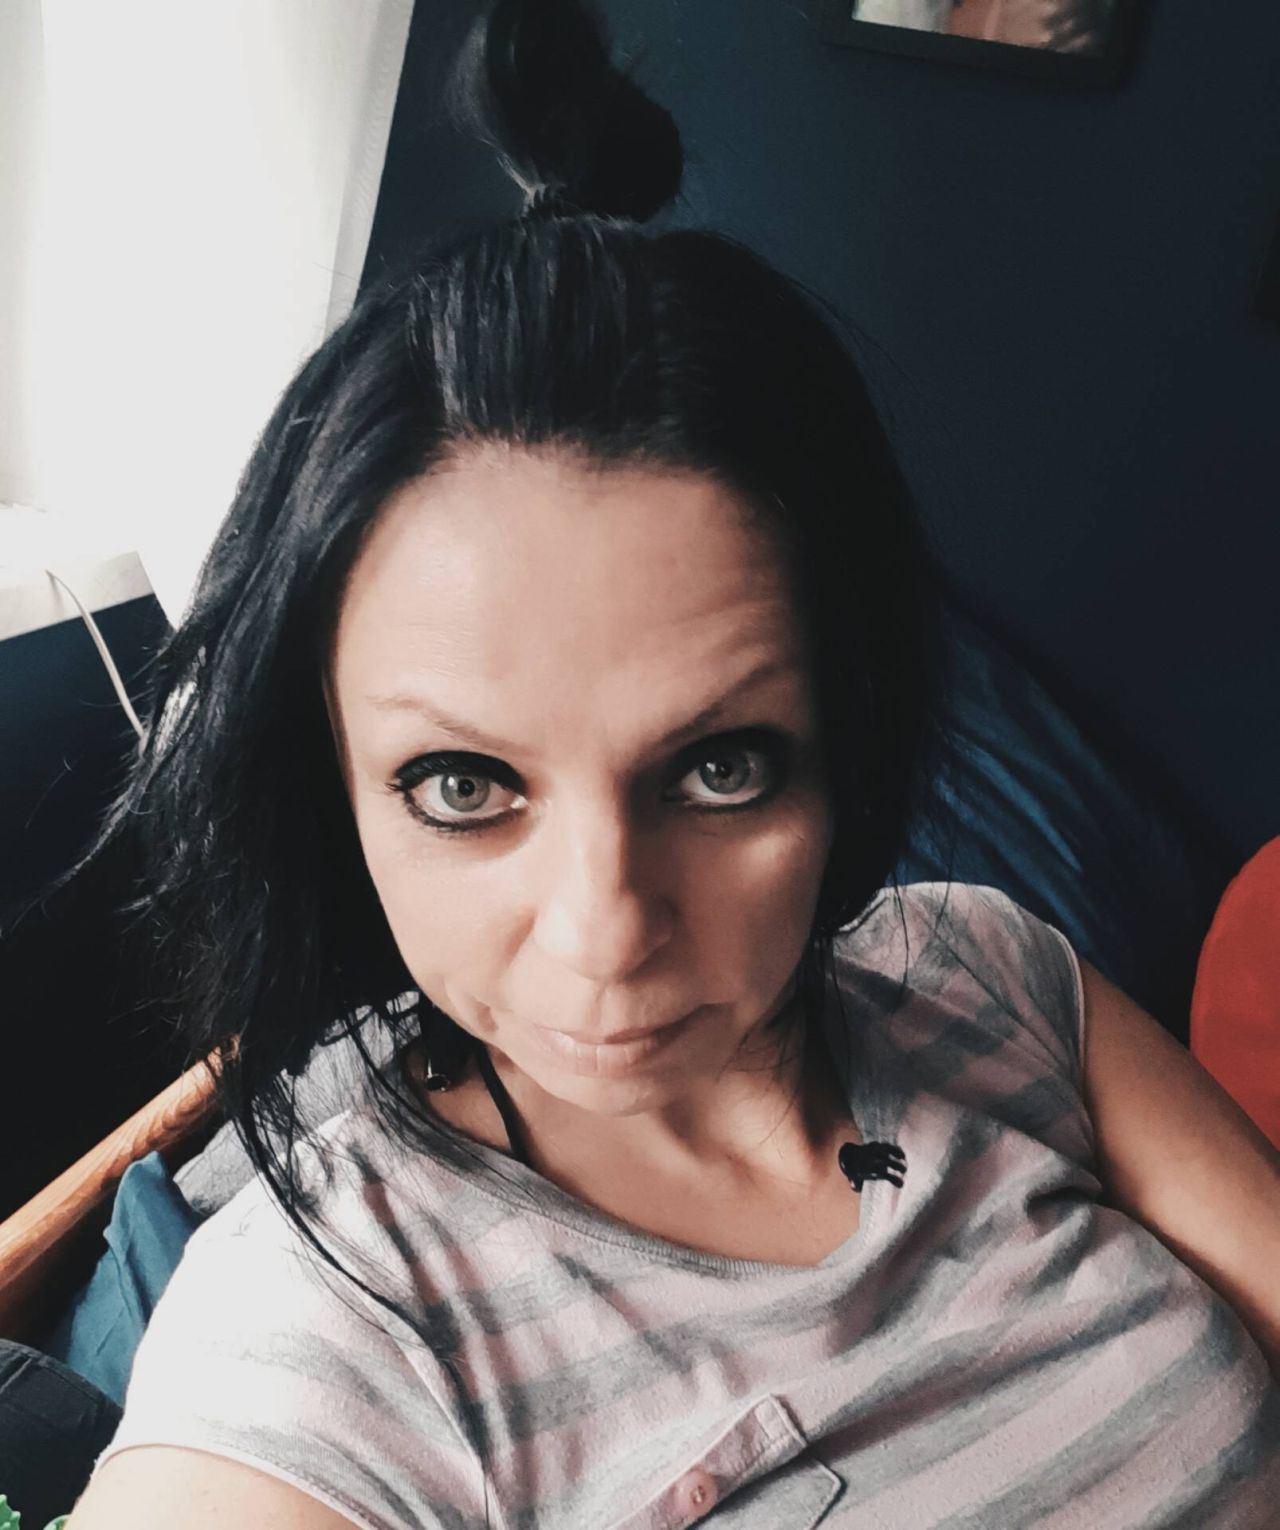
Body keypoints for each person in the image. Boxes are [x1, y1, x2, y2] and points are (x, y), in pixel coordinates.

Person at [61, 0, 1280, 1524]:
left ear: (845, 734)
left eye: (719, 769)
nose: (608, 932)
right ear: (334, 784)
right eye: (464, 785)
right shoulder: (329, 1335)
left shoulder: (999, 976)